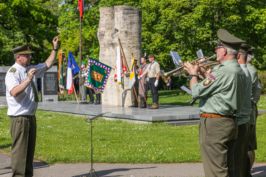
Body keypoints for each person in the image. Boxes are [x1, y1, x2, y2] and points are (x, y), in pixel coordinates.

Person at [184, 29, 246, 177]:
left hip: (215, 124)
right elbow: (217, 87)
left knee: (216, 171)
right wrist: (205, 74)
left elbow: (196, 91)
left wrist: (193, 74)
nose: (215, 50)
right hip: (229, 122)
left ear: (224, 50)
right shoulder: (237, 70)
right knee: (228, 168)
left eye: (218, 47)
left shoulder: (223, 71)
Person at [5, 36, 59, 177]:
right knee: (20, 154)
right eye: (27, 56)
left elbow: (48, 63)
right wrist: (28, 79)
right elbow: (14, 92)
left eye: (29, 56)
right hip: (19, 118)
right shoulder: (13, 72)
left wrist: (54, 48)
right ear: (18, 57)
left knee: (28, 154)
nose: (29, 58)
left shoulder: (30, 68)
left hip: (30, 117)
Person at [235, 43, 252, 177]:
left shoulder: (239, 72)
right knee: (241, 153)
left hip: (239, 119)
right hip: (245, 118)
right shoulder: (246, 70)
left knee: (236, 157)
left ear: (239, 55)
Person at [246, 47, 262, 174]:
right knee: (248, 144)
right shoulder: (251, 70)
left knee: (247, 144)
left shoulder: (248, 70)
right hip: (251, 109)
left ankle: (246, 171)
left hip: (248, 110)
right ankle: (247, 170)